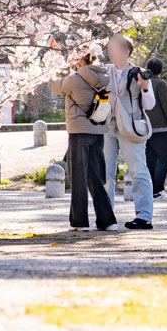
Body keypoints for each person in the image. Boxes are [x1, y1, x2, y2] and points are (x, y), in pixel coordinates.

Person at [48, 51, 117, 231]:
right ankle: (108, 221)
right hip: (97, 130)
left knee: (78, 176)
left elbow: (53, 85)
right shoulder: (103, 76)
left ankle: (79, 222)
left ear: (79, 59)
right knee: (96, 177)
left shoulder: (74, 79)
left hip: (79, 131)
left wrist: (55, 63)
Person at [104, 33, 156, 230]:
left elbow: (150, 105)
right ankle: (106, 215)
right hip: (107, 125)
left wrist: (144, 87)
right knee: (106, 172)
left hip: (132, 126)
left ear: (126, 51)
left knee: (138, 169)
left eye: (115, 47)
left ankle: (144, 216)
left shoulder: (138, 72)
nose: (111, 51)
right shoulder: (104, 72)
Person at [144, 58, 167, 202]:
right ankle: (158, 189)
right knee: (166, 157)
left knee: (151, 159)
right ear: (161, 70)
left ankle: (150, 190)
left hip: (145, 127)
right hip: (160, 127)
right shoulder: (160, 83)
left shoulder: (143, 83)